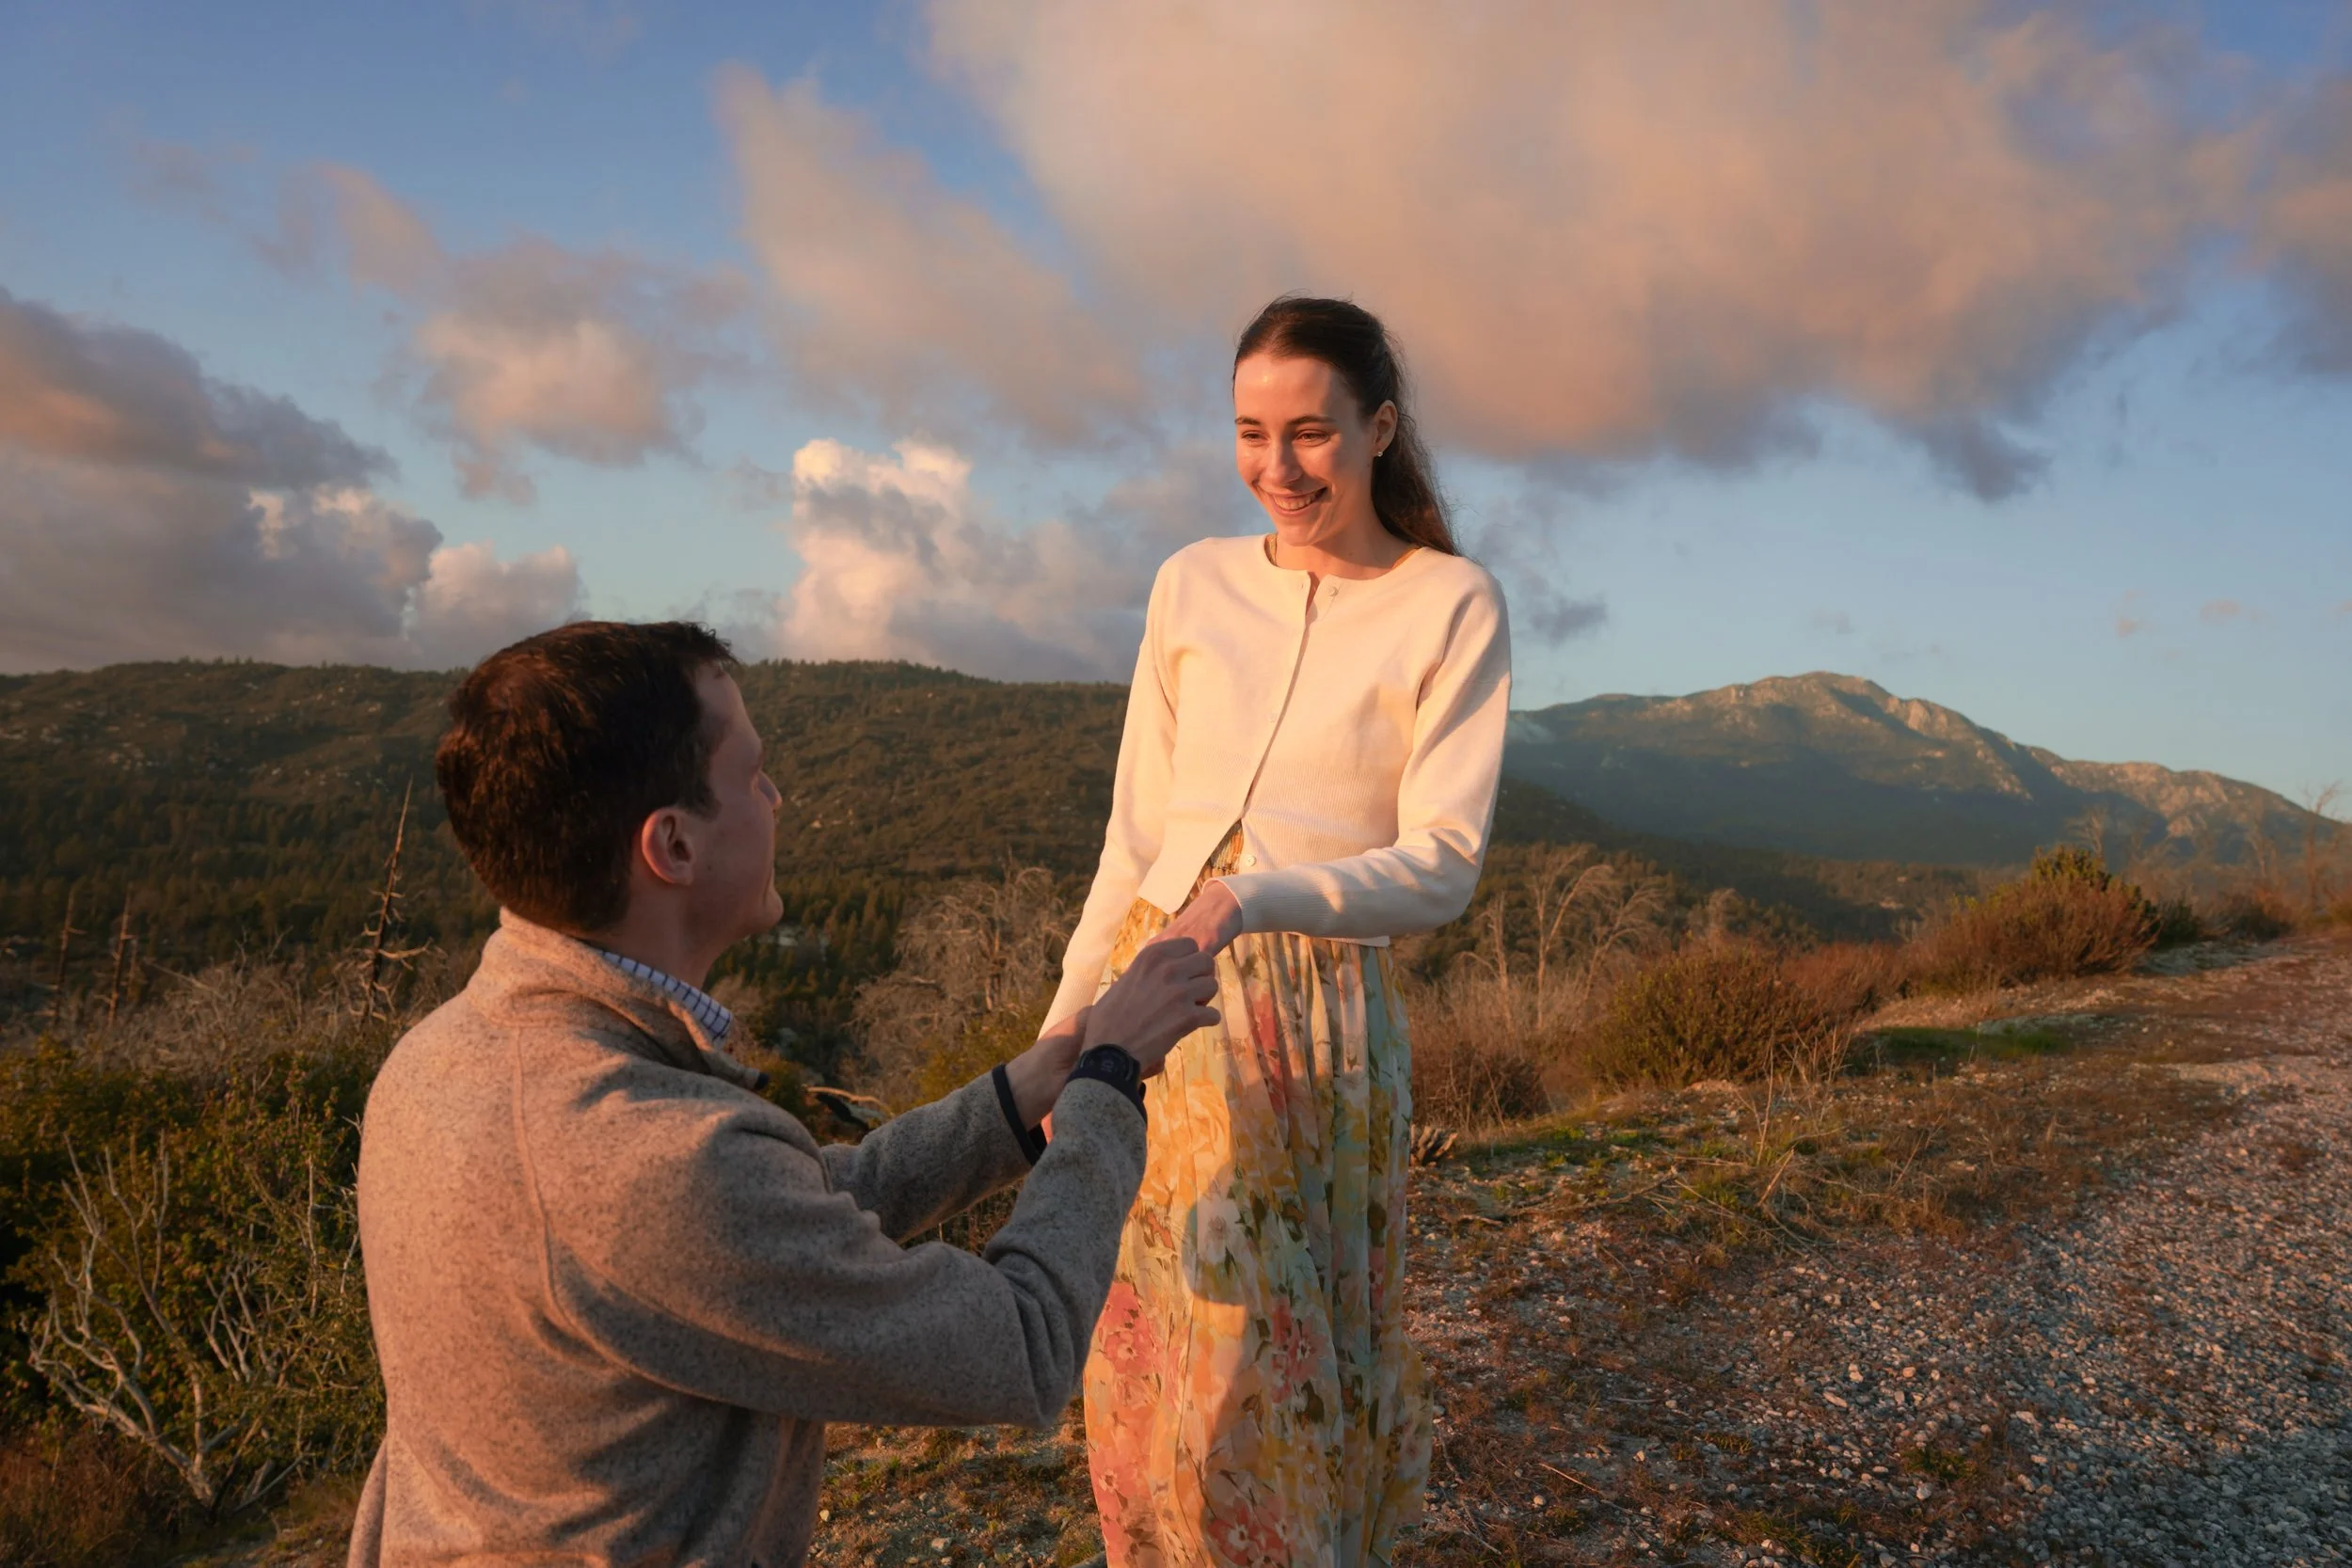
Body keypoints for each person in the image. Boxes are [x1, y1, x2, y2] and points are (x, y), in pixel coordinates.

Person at [349, 620, 1221, 1568]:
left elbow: (775, 1216)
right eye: (755, 774)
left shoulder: (437, 1061)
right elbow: (1023, 1345)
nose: (777, 798)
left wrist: (1021, 1093)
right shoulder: (645, 1161)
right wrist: (1108, 1081)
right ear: (673, 843)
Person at [1059, 298, 1512, 1566]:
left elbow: (1443, 863)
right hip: (1158, 998)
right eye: (1250, 432)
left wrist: (1255, 896)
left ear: (1380, 428)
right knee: (1172, 1335)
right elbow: (1135, 835)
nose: (1278, 465)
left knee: (1284, 1360)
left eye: (1310, 431)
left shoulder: (1450, 602)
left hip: (1317, 1023)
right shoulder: (1191, 581)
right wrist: (1064, 1028)